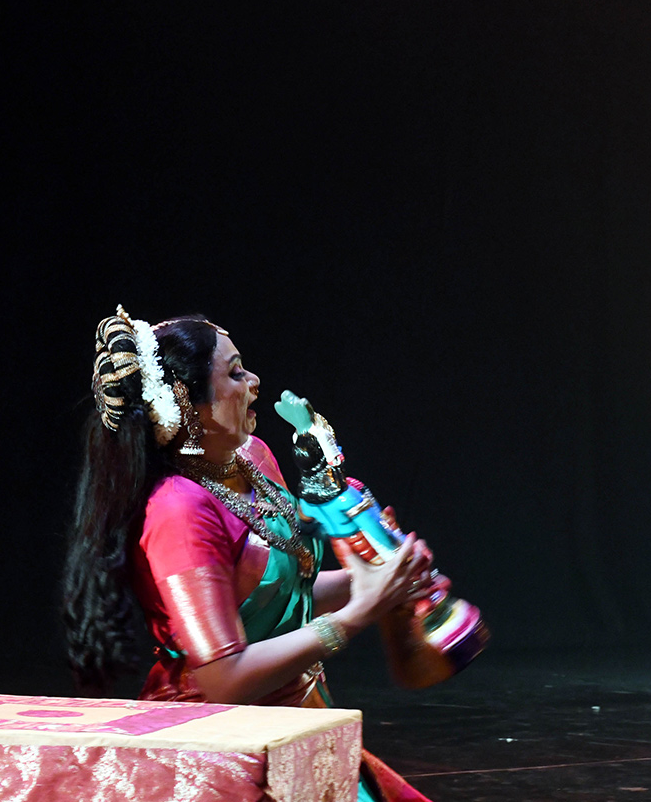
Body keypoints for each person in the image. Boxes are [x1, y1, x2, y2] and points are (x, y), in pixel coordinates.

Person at [63, 306, 436, 802]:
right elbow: (225, 678)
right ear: (186, 404)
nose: (255, 381)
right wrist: (355, 615)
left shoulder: (254, 458)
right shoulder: (179, 510)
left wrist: (377, 578)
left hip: (298, 720)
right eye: (235, 372)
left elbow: (283, 589)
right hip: (217, 747)